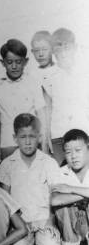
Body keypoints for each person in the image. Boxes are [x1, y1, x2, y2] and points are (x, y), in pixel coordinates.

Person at [0, 113, 64, 245]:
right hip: (21, 224)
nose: (27, 142)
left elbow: (55, 196)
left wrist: (50, 221)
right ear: (15, 138)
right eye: (22, 137)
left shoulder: (48, 162)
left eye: (32, 137)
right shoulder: (8, 164)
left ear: (39, 137)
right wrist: (17, 225)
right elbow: (5, 199)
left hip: (44, 220)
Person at [0, 39, 47, 166]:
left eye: (18, 62)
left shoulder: (33, 83)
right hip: (7, 143)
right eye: (9, 62)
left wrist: (44, 145)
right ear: (2, 63)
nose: (14, 66)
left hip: (30, 142)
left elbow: (41, 114)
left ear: (25, 62)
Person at [44, 28, 89, 165]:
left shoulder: (84, 73)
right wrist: (46, 140)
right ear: (53, 52)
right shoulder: (48, 77)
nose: (63, 52)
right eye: (58, 48)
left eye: (67, 47)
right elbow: (47, 110)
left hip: (84, 133)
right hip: (59, 135)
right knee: (64, 174)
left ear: (75, 48)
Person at [51, 129, 89, 245]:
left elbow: (65, 193)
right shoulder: (60, 172)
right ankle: (71, 243)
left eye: (78, 150)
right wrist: (85, 194)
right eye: (68, 152)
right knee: (61, 206)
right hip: (71, 222)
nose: (73, 156)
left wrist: (71, 189)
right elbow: (54, 200)